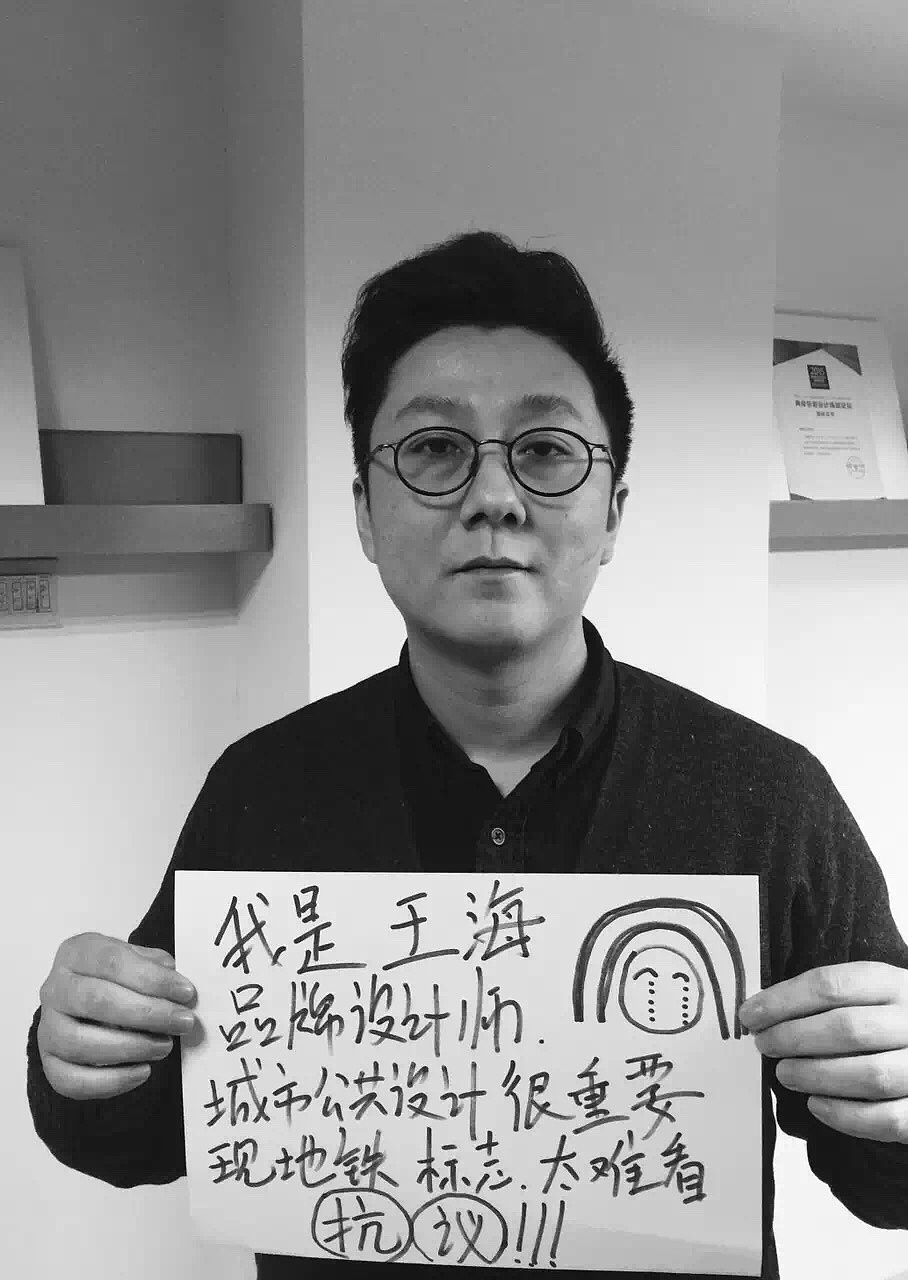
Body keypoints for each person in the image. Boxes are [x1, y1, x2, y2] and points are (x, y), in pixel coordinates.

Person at [27, 230, 908, 1279]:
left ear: (613, 513)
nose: (494, 496)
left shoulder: (766, 794)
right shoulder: (262, 790)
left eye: (546, 449)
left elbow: (881, 1183)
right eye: (435, 449)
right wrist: (76, 1053)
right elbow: (140, 1135)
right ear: (364, 513)